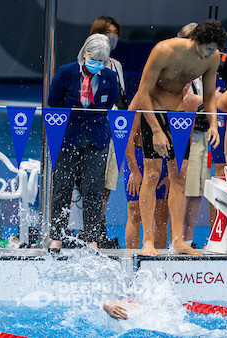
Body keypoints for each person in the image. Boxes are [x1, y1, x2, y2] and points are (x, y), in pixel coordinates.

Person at [127, 20, 226, 256]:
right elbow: (143, 92)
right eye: (209, 48)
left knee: (179, 177)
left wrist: (213, 124)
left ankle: (179, 241)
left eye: (215, 50)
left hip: (180, 116)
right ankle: (148, 242)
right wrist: (156, 129)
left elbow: (210, 94)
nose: (212, 54)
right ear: (196, 42)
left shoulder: (211, 58)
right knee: (151, 175)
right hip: (155, 111)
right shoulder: (164, 50)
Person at [47, 34, 119, 251]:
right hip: (68, 137)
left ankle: (91, 239)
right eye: (94, 58)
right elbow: (53, 103)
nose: (97, 63)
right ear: (85, 53)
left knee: (94, 189)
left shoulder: (109, 78)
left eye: (102, 60)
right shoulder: (66, 73)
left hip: (96, 140)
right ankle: (57, 237)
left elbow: (109, 105)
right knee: (62, 188)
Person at [177, 22, 222, 246]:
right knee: (179, 190)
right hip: (181, 139)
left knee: (196, 193)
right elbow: (186, 103)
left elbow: (209, 99)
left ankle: (188, 238)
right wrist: (203, 102)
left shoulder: (204, 70)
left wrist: (204, 104)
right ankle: (177, 239)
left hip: (201, 136)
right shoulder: (178, 67)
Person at [90, 16, 127, 248]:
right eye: (107, 32)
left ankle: (98, 228)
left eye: (115, 32)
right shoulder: (87, 63)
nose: (112, 36)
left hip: (114, 130)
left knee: (108, 183)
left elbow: (121, 99)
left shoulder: (117, 65)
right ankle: (91, 230)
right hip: (93, 131)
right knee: (91, 183)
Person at [123, 131, 169, 249]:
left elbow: (178, 136)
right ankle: (131, 259)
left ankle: (158, 262)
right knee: (134, 211)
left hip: (164, 157)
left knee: (162, 214)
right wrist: (134, 170)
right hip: (138, 157)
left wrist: (172, 173)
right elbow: (129, 137)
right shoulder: (137, 111)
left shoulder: (169, 110)